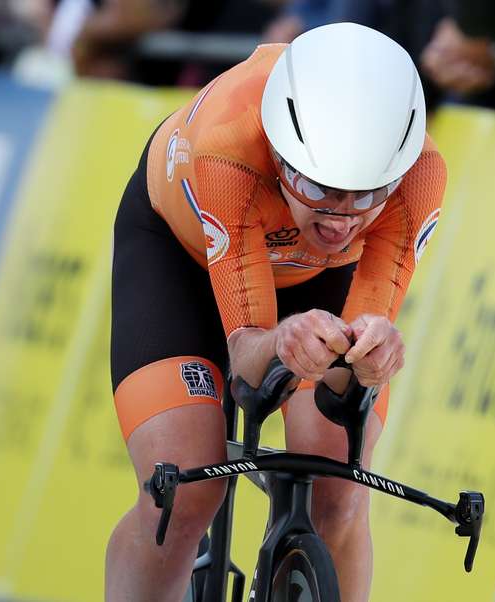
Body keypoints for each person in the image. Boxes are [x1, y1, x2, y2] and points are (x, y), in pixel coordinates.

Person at [106, 22, 446, 601]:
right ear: (281, 155)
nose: (341, 219)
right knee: (183, 490)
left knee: (340, 491)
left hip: (316, 277)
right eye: (319, 188)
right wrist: (281, 340)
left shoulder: (417, 179)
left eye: (365, 196)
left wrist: (371, 355)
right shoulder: (227, 147)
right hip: (179, 256)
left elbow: (349, 379)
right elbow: (246, 360)